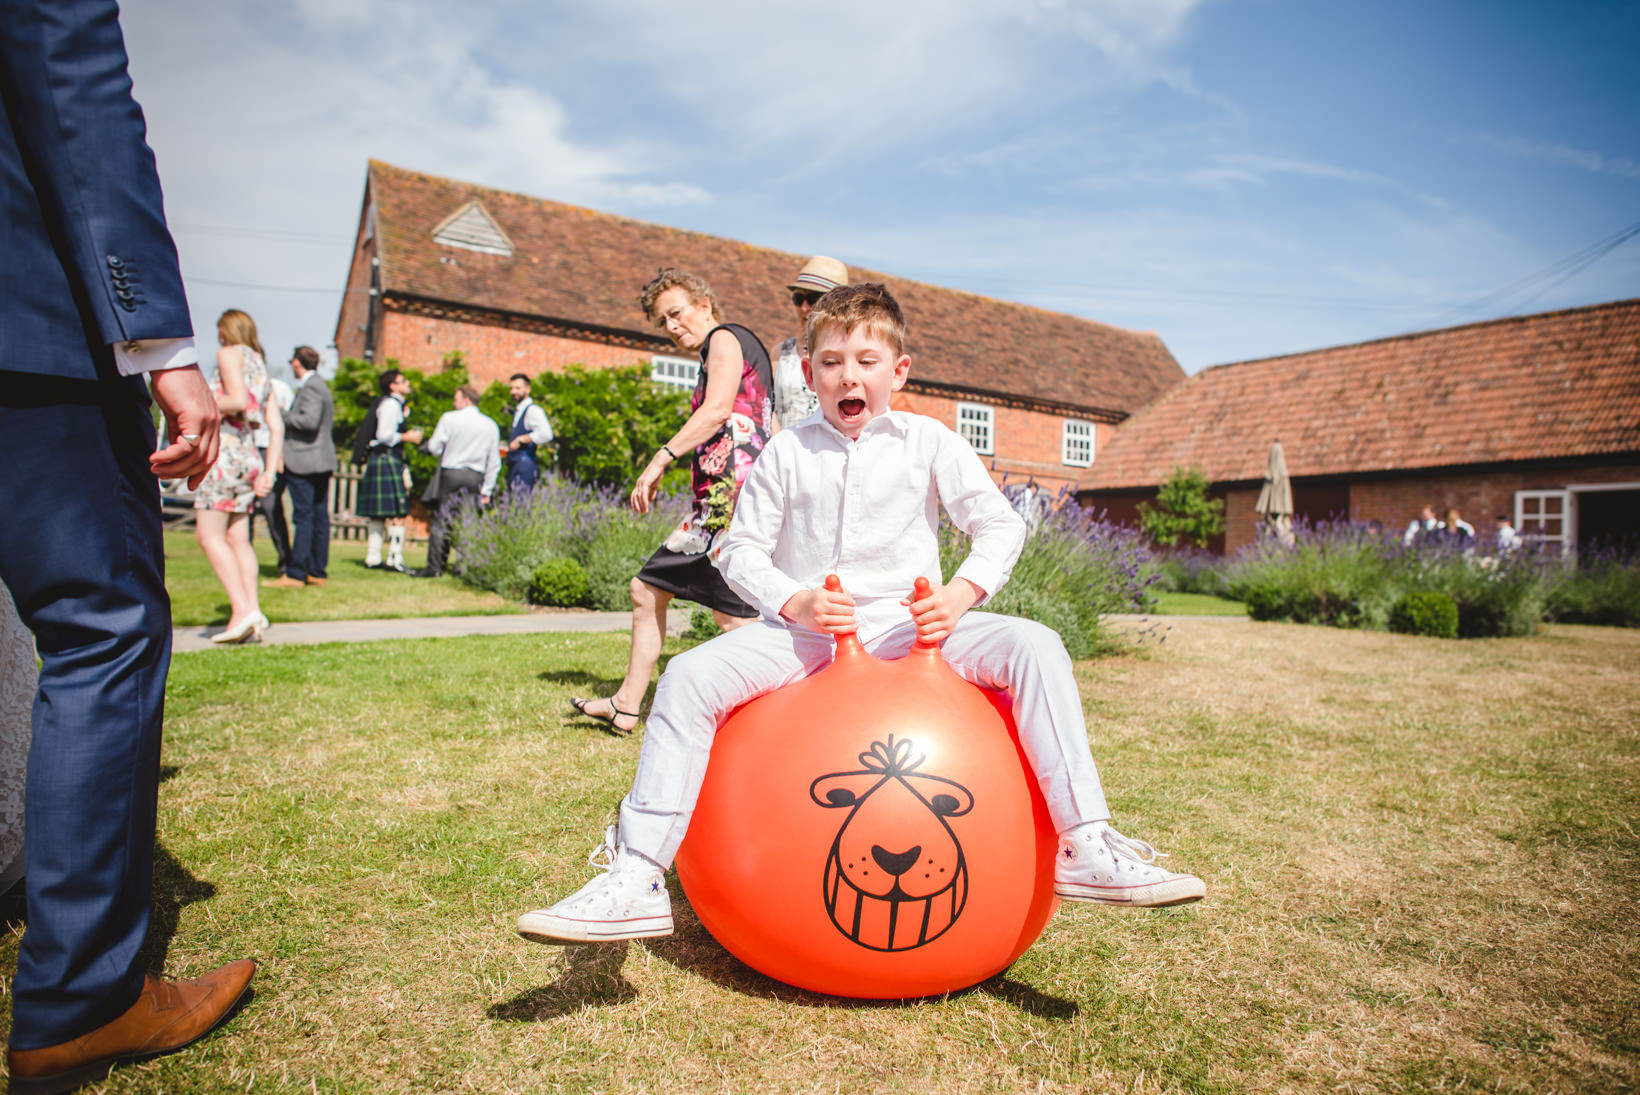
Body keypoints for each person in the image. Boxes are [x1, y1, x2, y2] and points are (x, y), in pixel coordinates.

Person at [520, 283, 1203, 945]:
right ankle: (636, 875)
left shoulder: (929, 441)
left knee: (1037, 645)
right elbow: (738, 551)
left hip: (918, 630)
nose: (850, 376)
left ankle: (1086, 841)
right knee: (689, 677)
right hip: (807, 637)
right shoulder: (788, 450)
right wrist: (797, 600)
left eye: (867, 362)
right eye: (832, 363)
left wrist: (959, 594)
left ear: (898, 371)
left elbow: (999, 525)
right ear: (811, 373)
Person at [0, 2, 256, 1088]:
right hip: (24, 336)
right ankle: (81, 996)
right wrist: (158, 338)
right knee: (102, 622)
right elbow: (73, 88)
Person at [568, 269, 773, 734]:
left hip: (729, 502)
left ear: (703, 304)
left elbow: (719, 409)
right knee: (649, 589)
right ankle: (625, 704)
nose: (672, 326)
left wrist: (660, 459)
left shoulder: (725, 338)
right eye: (663, 321)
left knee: (732, 616)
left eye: (676, 313)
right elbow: (766, 426)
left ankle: (773, 714)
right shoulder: (730, 352)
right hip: (721, 501)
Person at [193, 308, 283, 644]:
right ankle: (252, 612)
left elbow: (237, 401)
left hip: (224, 452)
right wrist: (270, 472)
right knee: (238, 539)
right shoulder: (261, 365)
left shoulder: (228, 354)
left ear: (226, 330)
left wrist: (200, 401)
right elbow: (276, 426)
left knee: (208, 535)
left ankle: (242, 608)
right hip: (249, 455)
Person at [413, 385, 501, 578]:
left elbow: (435, 447)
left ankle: (435, 567)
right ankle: (464, 568)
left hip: (451, 474)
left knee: (441, 520)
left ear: (466, 400)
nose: (454, 403)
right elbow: (494, 461)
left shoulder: (449, 418)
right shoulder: (490, 425)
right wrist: (487, 489)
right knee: (469, 522)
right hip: (475, 477)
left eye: (456, 399)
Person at [274, 345, 337, 587]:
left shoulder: (311, 387)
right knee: (319, 517)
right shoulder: (320, 385)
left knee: (304, 517)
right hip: (319, 460)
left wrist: (283, 415)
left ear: (297, 363)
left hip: (305, 461)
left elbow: (309, 421)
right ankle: (316, 571)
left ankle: (296, 573)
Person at [357, 369, 423, 572]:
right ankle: (394, 559)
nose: (408, 383)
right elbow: (384, 435)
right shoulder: (391, 404)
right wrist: (407, 437)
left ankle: (374, 558)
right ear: (393, 386)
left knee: (379, 513)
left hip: (382, 459)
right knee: (397, 512)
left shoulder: (391, 404)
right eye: (403, 381)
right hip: (386, 457)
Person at [772, 255, 848, 429]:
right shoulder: (780, 353)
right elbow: (766, 408)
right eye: (798, 299)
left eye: (813, 299)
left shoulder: (853, 355)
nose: (804, 307)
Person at [252, 371, 295, 574]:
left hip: (270, 449)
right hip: (248, 450)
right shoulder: (246, 384)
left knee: (272, 509)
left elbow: (284, 425)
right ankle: (244, 560)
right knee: (243, 512)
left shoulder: (281, 388)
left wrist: (279, 455)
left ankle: (286, 560)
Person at [504, 373, 553, 490]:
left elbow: (546, 434)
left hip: (525, 464)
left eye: (517, 388)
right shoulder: (518, 411)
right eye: (511, 388)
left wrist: (521, 439)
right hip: (514, 465)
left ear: (527, 389)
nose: (513, 392)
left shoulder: (533, 410)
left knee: (521, 503)